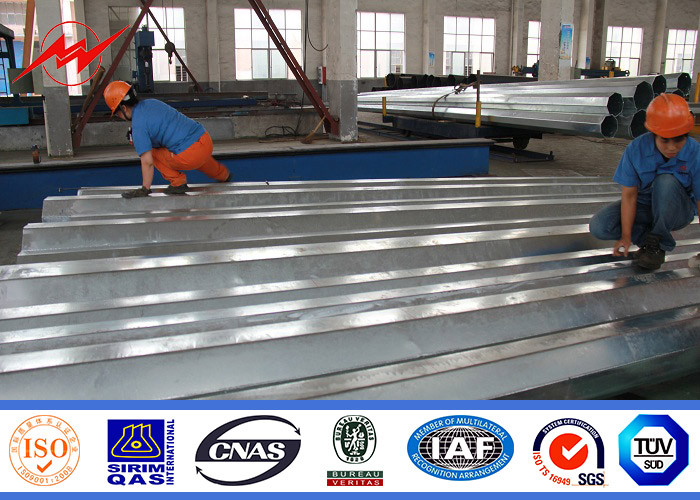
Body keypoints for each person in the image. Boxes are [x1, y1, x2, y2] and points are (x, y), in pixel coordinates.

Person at [589, 93, 699, 270]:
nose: (672, 147)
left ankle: (658, 243)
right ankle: (650, 244)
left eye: (679, 139)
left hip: (677, 211)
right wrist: (626, 236)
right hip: (645, 206)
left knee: (665, 181)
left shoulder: (695, 153)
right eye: (665, 140)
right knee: (600, 226)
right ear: (654, 134)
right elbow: (629, 196)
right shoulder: (636, 149)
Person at [103, 81, 231, 198]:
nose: (119, 117)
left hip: (189, 156)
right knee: (195, 151)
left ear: (123, 108)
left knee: (152, 153)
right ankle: (223, 174)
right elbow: (164, 129)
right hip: (205, 140)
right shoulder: (152, 102)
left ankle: (177, 182)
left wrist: (145, 189)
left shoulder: (138, 126)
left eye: (117, 114)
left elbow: (148, 162)